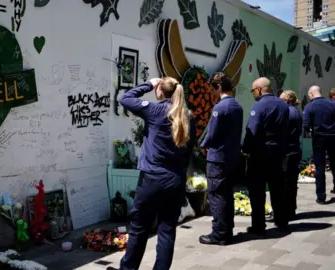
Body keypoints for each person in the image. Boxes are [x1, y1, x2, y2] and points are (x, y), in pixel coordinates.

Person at [107, 77, 196, 270]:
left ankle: (128, 268)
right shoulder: (188, 115)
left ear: (160, 92)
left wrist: (149, 83)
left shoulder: (155, 110)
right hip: (175, 180)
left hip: (152, 178)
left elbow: (125, 98)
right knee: (166, 230)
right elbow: (189, 150)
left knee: (139, 228)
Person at [199, 72, 243, 245]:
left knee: (217, 195)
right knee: (227, 195)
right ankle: (227, 230)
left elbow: (212, 133)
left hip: (217, 158)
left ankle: (219, 234)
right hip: (231, 157)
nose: (213, 93)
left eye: (213, 89)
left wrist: (202, 145)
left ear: (218, 87)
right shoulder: (237, 106)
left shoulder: (220, 107)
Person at [242, 77, 290, 235]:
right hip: (278, 153)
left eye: (253, 91)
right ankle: (282, 221)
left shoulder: (259, 106)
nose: (253, 94)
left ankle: (258, 225)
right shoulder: (283, 105)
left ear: (259, 89)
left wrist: (246, 149)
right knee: (278, 189)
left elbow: (253, 130)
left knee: (257, 191)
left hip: (260, 154)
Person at [303, 86, 335, 203]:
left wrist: (311, 131)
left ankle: (321, 196)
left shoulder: (309, 106)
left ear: (311, 94)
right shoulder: (332, 104)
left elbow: (305, 125)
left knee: (320, 166)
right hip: (333, 136)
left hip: (319, 138)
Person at [279, 90, 303, 219]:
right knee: (292, 183)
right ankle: (290, 210)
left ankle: (286, 211)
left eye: (281, 100)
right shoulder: (295, 111)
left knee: (286, 183)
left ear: (287, 100)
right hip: (294, 150)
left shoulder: (288, 112)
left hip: (288, 151)